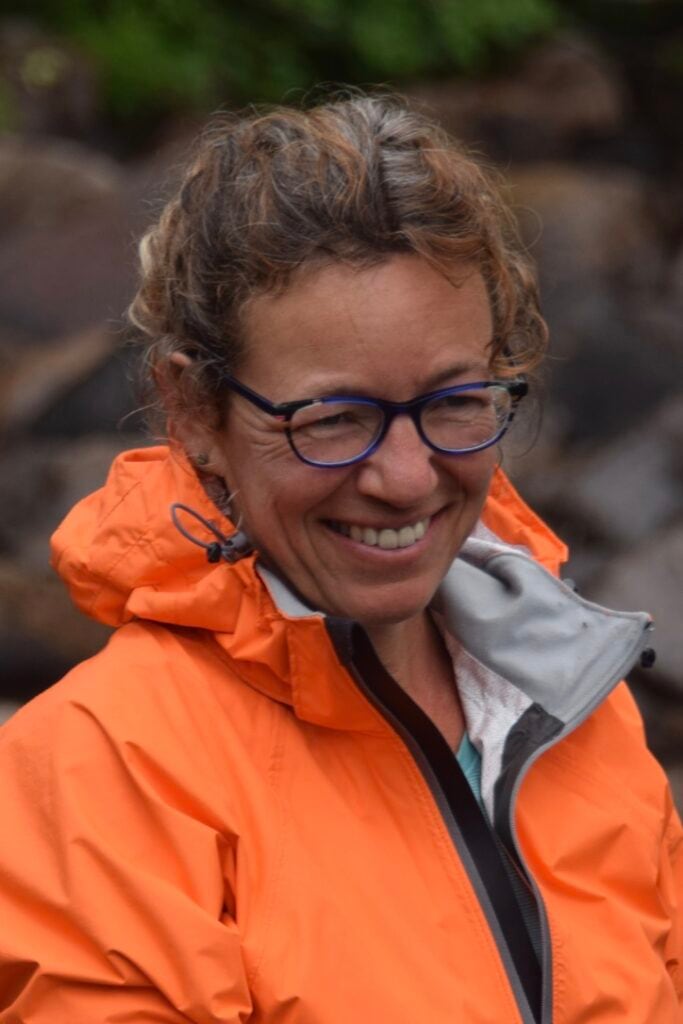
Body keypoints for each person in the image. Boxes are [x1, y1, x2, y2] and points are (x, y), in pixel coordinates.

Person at [0, 93, 680, 1024]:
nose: (405, 480)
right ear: (195, 413)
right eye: (334, 419)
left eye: (453, 402)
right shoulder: (97, 770)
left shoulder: (576, 709)